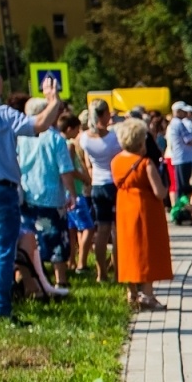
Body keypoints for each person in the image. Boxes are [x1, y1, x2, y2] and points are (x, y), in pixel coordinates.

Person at [0, 67, 64, 321]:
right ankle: (1, 310)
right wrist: (53, 101)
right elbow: (40, 124)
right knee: (2, 250)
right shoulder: (1, 114)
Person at [111, 118, 173, 310]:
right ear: (139, 141)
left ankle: (131, 293)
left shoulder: (116, 161)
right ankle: (147, 294)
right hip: (145, 211)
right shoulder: (145, 163)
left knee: (128, 250)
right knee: (147, 251)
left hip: (124, 210)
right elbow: (159, 192)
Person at [17, 96, 76, 294]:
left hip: (26, 195)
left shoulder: (20, 138)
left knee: (28, 238)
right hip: (51, 197)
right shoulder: (55, 138)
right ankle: (60, 279)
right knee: (55, 238)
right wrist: (72, 193)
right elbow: (65, 170)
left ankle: (27, 281)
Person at [78, 100, 123, 284]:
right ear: (104, 114)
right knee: (116, 231)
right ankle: (119, 273)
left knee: (102, 232)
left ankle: (101, 273)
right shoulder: (112, 138)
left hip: (96, 185)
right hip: (112, 184)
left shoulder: (85, 138)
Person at [59, 112, 94, 272]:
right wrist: (85, 178)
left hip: (63, 192)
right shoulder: (69, 145)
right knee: (88, 227)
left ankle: (71, 262)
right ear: (70, 128)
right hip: (75, 191)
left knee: (72, 230)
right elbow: (70, 169)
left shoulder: (58, 142)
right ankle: (82, 263)